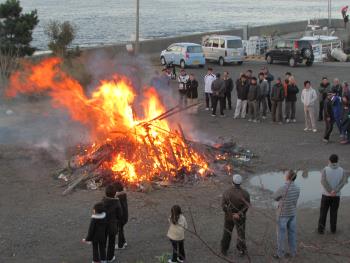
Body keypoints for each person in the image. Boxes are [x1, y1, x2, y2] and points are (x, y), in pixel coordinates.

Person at [272, 170, 300, 259]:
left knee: (281, 235)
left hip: (283, 214)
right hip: (292, 213)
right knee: (292, 234)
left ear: (288, 177)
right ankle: (293, 252)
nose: (285, 175)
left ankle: (280, 254)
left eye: (286, 174)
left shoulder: (283, 187)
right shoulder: (297, 188)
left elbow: (274, 197)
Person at [221, 174, 250, 257]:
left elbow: (223, 206)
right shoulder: (245, 193)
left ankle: (224, 250)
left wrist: (231, 214)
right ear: (240, 183)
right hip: (241, 218)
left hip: (229, 217)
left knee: (227, 233)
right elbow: (247, 205)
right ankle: (241, 250)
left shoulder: (226, 192)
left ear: (232, 182)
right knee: (241, 233)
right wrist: (239, 214)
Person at [318, 154, 348, 234]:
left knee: (323, 213)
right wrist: (335, 191)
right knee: (334, 213)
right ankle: (333, 229)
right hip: (336, 196)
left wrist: (330, 191)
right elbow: (343, 182)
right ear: (337, 160)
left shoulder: (325, 169)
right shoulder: (342, 170)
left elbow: (323, 181)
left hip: (326, 195)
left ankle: (321, 230)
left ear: (329, 160)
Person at [102, 184, 122, 262]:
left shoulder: (102, 201)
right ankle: (110, 257)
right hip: (112, 226)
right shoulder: (117, 203)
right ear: (115, 193)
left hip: (103, 226)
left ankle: (102, 258)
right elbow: (120, 215)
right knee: (111, 242)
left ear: (105, 193)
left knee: (103, 242)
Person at [113, 181, 128, 250]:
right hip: (125, 215)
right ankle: (124, 242)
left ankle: (120, 245)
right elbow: (124, 190)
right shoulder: (123, 194)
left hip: (120, 217)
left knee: (120, 230)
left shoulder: (117, 197)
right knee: (121, 229)